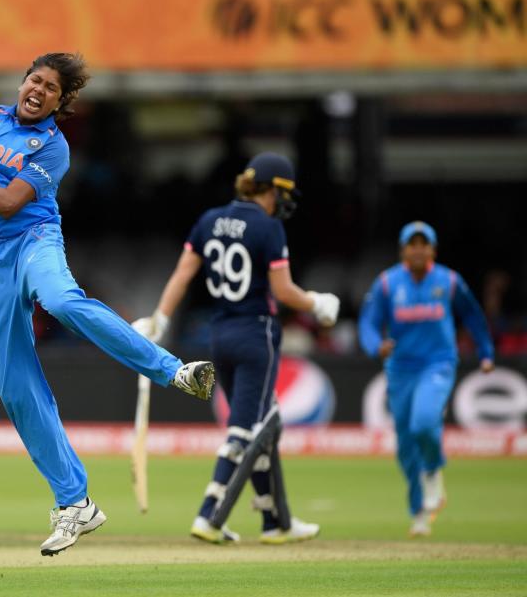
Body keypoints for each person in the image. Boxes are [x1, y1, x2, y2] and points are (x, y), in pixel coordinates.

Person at [0, 17, 216, 556]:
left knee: (60, 300)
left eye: (51, 88)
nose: (38, 90)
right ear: (23, 81)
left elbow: (7, 204)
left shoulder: (52, 147)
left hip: (34, 240)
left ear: (59, 103)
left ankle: (176, 371)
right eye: (35, 80)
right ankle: (76, 503)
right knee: (16, 387)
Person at [132, 152, 339, 544]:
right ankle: (210, 514)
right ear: (273, 189)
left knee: (264, 423)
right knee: (247, 429)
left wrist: (160, 317)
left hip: (220, 334)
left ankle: (275, 519)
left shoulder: (210, 220)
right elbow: (282, 290)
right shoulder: (269, 227)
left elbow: (183, 272)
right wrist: (317, 303)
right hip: (256, 334)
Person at [358, 221, 494, 537]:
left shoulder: (447, 280)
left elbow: (472, 316)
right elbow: (369, 322)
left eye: (424, 244)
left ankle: (433, 471)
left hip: (438, 364)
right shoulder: (388, 283)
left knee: (424, 422)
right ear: (403, 250)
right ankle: (419, 512)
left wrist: (486, 351)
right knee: (406, 447)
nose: (418, 250)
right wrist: (374, 346)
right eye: (412, 244)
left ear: (433, 249)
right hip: (400, 369)